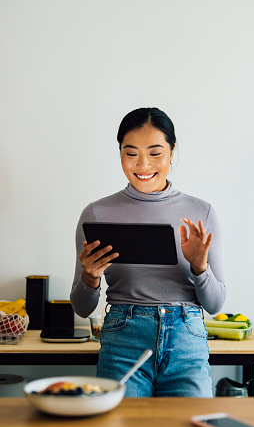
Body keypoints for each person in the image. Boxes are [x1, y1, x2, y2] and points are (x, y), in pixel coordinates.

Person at [70, 107, 226, 397]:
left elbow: (215, 304)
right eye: (131, 153)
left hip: (186, 342)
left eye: (155, 153)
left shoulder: (200, 211)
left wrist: (200, 267)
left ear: (172, 151)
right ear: (120, 154)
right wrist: (90, 278)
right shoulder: (97, 213)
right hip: (123, 339)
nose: (142, 164)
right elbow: (81, 307)